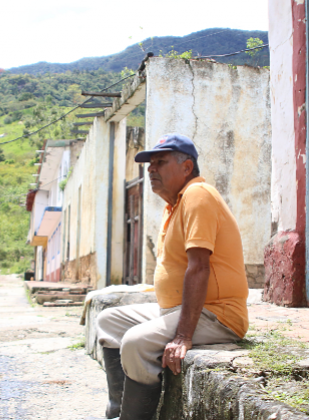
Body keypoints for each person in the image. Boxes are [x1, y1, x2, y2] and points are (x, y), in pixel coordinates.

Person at [96, 133, 249, 420]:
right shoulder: (177, 203)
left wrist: (182, 336)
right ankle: (119, 407)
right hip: (182, 309)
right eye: (150, 164)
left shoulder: (197, 195)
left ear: (186, 167)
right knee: (108, 322)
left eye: (160, 162)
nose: (151, 170)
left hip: (217, 315)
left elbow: (199, 267)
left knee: (135, 342)